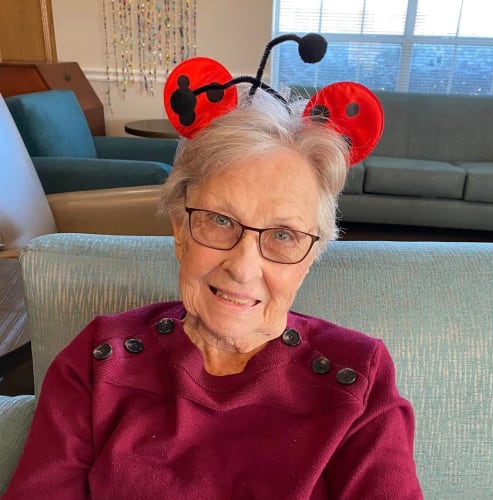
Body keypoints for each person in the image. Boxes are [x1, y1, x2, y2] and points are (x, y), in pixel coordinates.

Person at [4, 90, 422, 499]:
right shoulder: (99, 358)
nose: (242, 267)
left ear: (311, 255)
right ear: (180, 230)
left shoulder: (358, 376)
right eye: (220, 220)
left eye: (283, 235)